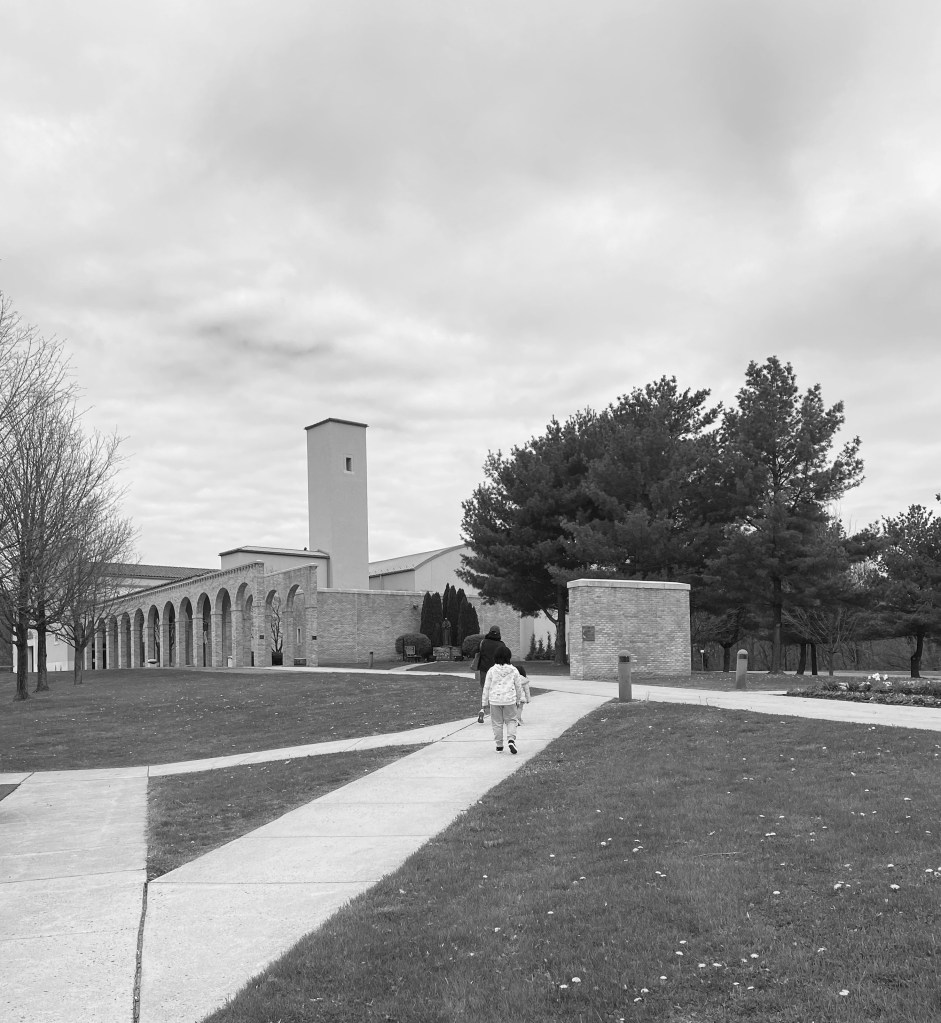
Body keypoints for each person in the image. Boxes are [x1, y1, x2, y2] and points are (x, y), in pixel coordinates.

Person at [480, 646, 524, 753]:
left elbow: (486, 687)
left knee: (497, 723)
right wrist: (519, 699)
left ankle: (499, 745)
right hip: (510, 700)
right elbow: (518, 686)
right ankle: (511, 740)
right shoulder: (514, 670)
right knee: (512, 720)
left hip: (495, 700)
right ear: (509, 657)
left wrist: (484, 702)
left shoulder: (491, 671)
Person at [476, 625, 507, 690]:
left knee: (485, 688)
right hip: (497, 670)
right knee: (496, 689)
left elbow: (476, 652)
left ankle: (486, 700)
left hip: (484, 669)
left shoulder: (483, 642)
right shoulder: (502, 645)